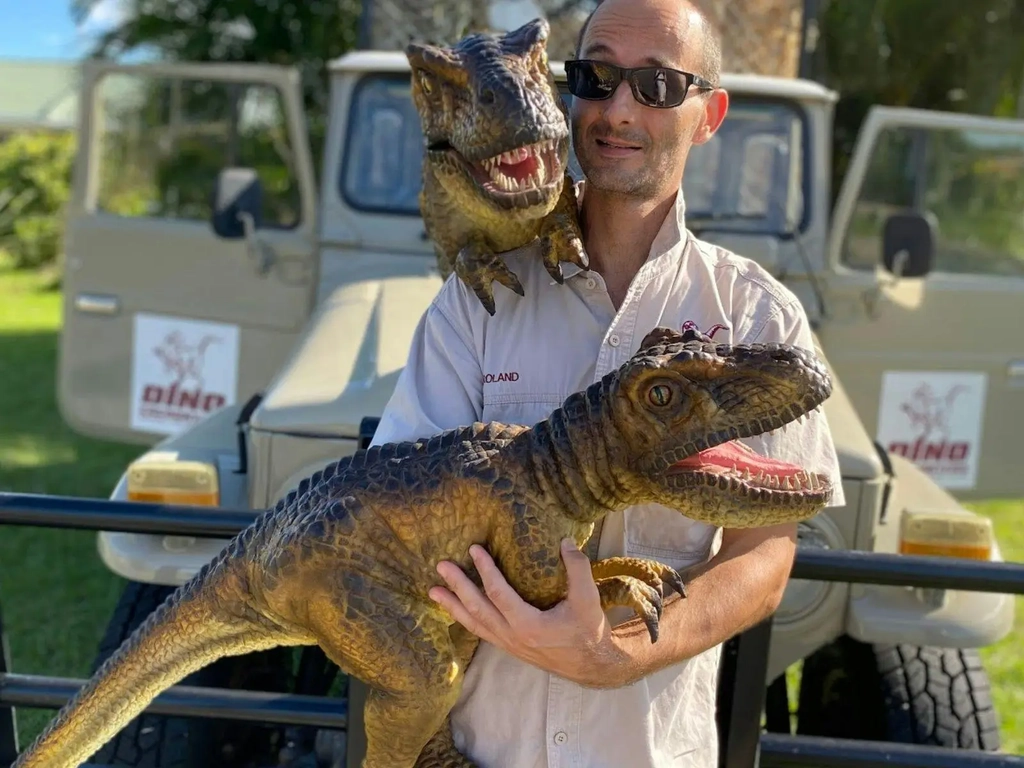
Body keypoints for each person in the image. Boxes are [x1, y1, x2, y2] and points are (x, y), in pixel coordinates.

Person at [370, 0, 845, 764]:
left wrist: (616, 650)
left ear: (709, 113)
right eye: (596, 78)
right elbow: (401, 514)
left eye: (656, 85)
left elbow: (764, 555)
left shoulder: (759, 317)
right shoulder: (477, 301)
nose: (619, 109)